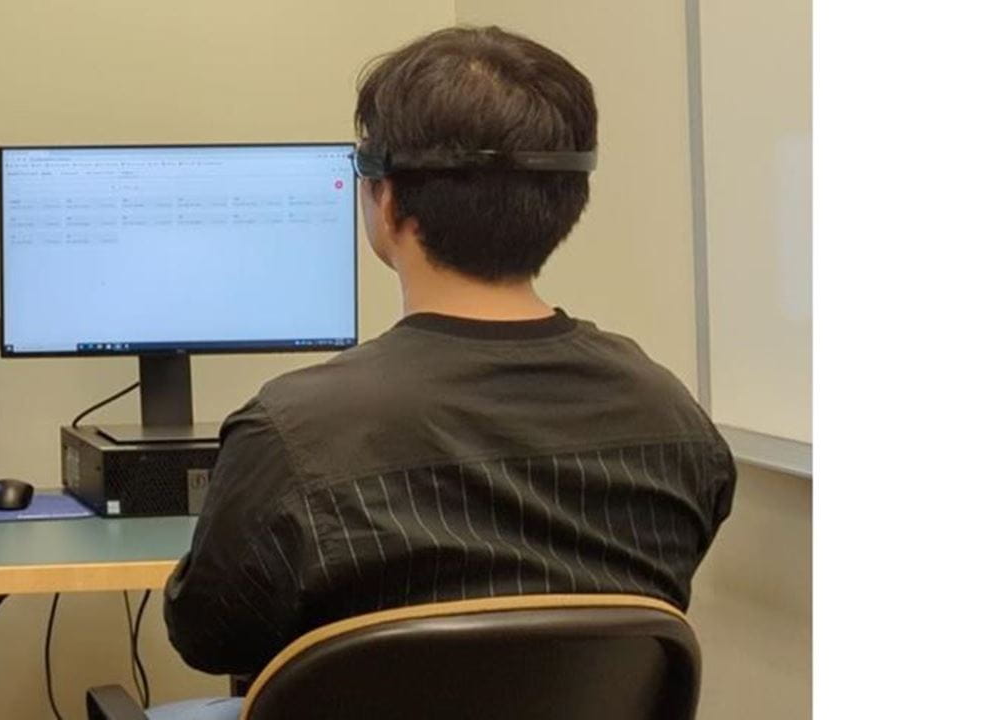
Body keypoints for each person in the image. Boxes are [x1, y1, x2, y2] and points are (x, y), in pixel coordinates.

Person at [151, 25, 736, 719]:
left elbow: (208, 635)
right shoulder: (674, 421)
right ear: (570, 200)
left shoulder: (292, 431)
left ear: (387, 200)